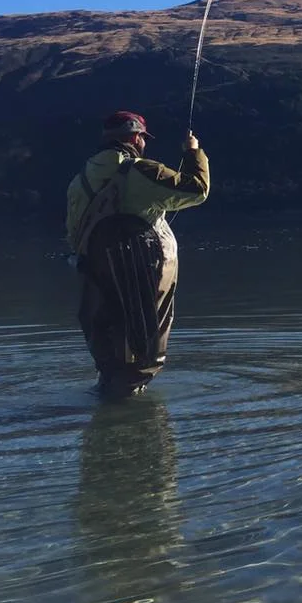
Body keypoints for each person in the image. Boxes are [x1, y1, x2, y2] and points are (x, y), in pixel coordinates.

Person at [66, 110, 209, 396]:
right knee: (143, 343)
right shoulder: (139, 170)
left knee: (109, 338)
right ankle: (129, 410)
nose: (144, 143)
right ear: (134, 137)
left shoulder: (80, 178)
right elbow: (197, 189)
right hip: (142, 268)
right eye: (143, 138)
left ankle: (109, 395)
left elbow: (74, 232)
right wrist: (194, 153)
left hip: (93, 268)